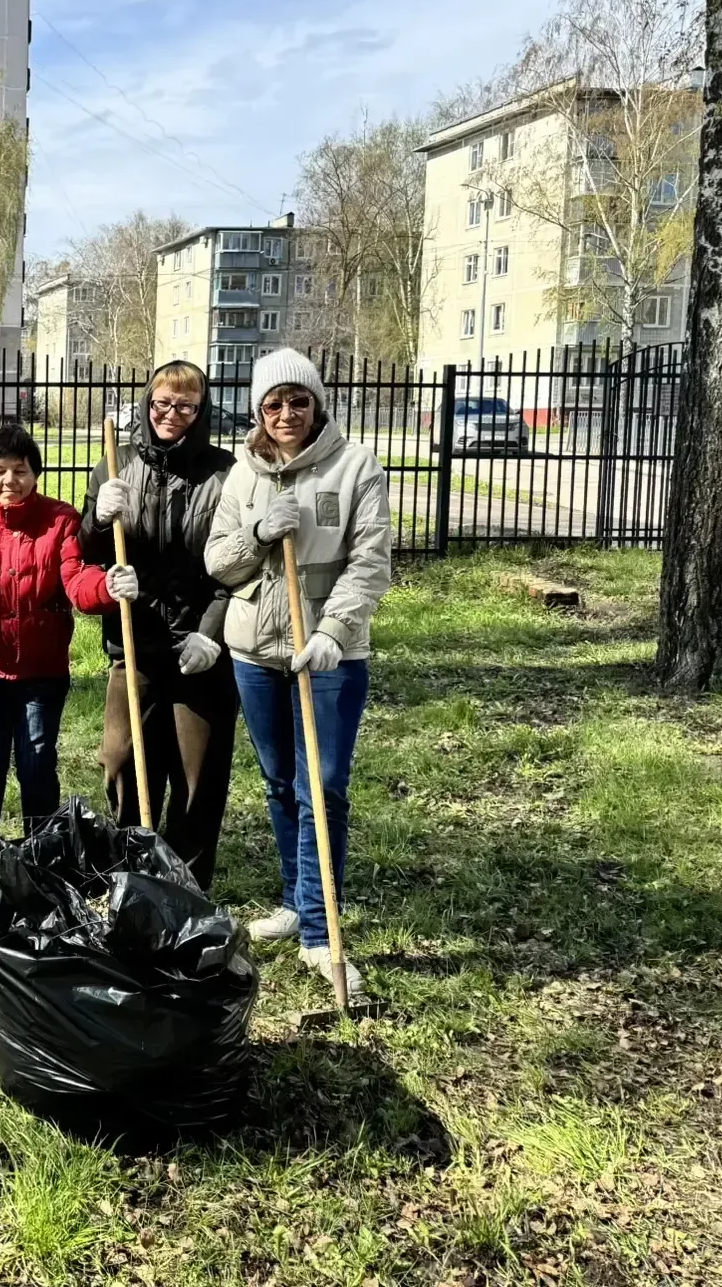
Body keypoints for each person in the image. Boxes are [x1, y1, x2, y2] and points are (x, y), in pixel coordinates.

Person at [206, 348, 391, 998]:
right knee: (281, 781)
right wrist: (258, 531)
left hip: (330, 655)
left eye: (298, 401)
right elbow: (219, 563)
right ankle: (295, 898)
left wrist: (334, 631)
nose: (286, 413)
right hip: (256, 651)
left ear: (317, 405)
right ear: (258, 411)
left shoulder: (355, 465)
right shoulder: (244, 473)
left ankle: (319, 930)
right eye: (273, 404)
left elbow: (370, 562)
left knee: (325, 787)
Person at [0, 424, 133, 885]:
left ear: (35, 474)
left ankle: (41, 850)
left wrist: (106, 586)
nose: (10, 480)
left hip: (42, 668)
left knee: (37, 760)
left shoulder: (59, 520)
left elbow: (76, 578)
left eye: (20, 470)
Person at [78, 360, 241, 885]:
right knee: (123, 761)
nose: (172, 414)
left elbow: (239, 567)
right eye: (162, 403)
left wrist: (210, 634)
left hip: (202, 648)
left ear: (202, 410)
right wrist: (98, 518)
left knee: (198, 777)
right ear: (148, 403)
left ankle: (187, 885)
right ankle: (131, 872)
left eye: (186, 406)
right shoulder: (115, 465)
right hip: (136, 641)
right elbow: (87, 552)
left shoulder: (226, 473)